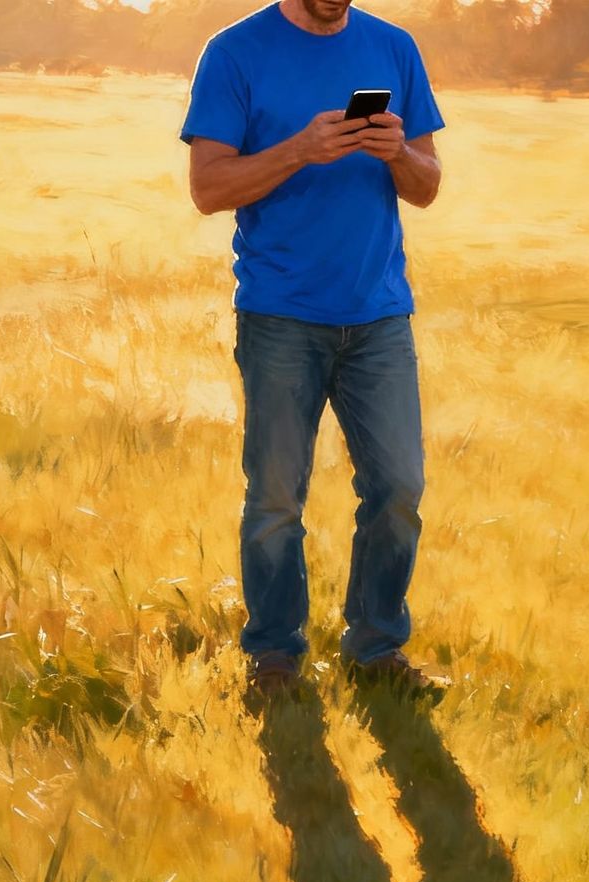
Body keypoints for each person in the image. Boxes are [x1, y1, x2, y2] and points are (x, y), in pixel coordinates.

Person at [182, 0, 448, 698]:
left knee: (398, 490)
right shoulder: (234, 52)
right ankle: (274, 657)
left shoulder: (393, 46)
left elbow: (427, 186)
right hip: (280, 317)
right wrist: (301, 149)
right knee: (275, 499)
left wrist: (397, 154)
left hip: (380, 318)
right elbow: (208, 188)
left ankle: (376, 649)